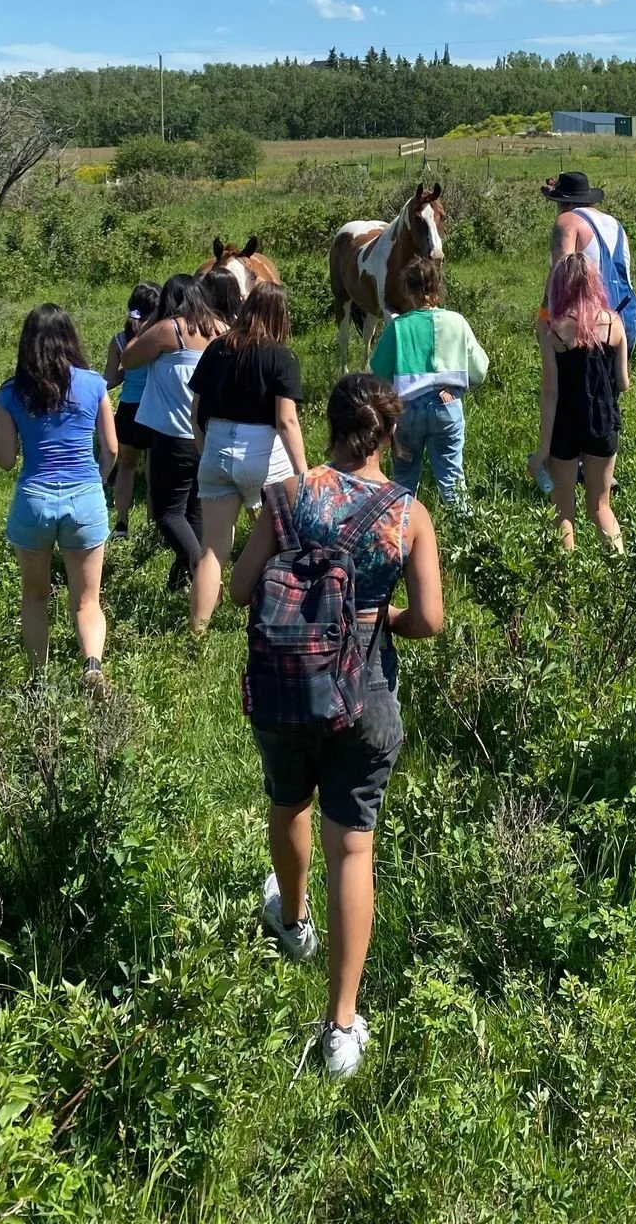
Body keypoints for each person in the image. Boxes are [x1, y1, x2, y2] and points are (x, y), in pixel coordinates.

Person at [229, 374, 443, 1080]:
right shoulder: (407, 513)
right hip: (367, 693)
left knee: (287, 802)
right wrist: (380, 619)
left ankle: (292, 924)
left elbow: (239, 590)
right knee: (352, 850)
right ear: (388, 434)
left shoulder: (287, 496)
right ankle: (342, 1027)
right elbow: (431, 621)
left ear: (329, 424)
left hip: (286, 686)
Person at [0, 304, 118, 692]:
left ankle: (39, 680)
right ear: (70, 338)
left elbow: (6, 461)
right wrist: (98, 483)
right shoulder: (94, 384)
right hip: (85, 497)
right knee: (87, 600)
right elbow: (111, 448)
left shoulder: (10, 394)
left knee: (35, 595)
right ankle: (92, 666)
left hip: (34, 500)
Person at [189, 280, 307, 635]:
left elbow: (195, 411)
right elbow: (285, 421)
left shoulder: (216, 349)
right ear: (280, 317)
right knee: (281, 540)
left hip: (217, 446)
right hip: (263, 452)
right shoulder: (281, 357)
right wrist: (304, 474)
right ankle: (275, 618)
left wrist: (204, 449)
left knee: (213, 549)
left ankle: (197, 632)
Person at [123, 276, 225, 594]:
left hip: (174, 436)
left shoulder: (171, 330)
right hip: (209, 436)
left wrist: (154, 318)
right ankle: (179, 587)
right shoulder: (221, 329)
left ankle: (204, 575)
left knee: (167, 513)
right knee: (193, 513)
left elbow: (128, 357)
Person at [369, 255, 489, 508]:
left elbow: (377, 372)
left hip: (408, 409)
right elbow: (480, 370)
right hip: (447, 404)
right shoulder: (457, 322)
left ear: (408, 291)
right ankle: (466, 533)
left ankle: (401, 534)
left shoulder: (398, 327)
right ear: (437, 288)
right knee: (452, 478)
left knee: (404, 478)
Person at [530, 252, 629, 551]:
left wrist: (543, 450)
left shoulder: (553, 332)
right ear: (594, 283)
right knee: (601, 506)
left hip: (565, 426)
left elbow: (551, 393)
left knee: (562, 510)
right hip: (602, 422)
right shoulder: (614, 323)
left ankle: (566, 588)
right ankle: (621, 574)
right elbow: (623, 382)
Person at [540, 169, 636, 353]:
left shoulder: (567, 221)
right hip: (624, 319)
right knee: (613, 381)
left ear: (562, 202)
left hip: (589, 323)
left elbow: (562, 276)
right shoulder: (615, 224)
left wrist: (544, 317)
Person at [103, 281, 159, 539]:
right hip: (154, 409)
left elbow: (110, 380)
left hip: (127, 411)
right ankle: (151, 527)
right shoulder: (158, 337)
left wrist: (127, 373)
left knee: (126, 468)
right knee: (152, 473)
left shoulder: (118, 340)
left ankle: (122, 525)